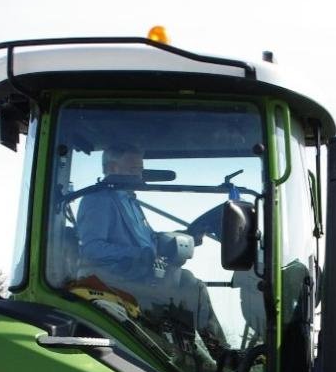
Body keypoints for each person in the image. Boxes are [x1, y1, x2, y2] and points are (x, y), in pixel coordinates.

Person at [75, 141, 227, 360]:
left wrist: (183, 236)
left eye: (140, 169)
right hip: (115, 278)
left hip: (140, 273)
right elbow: (91, 248)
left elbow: (149, 241)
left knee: (187, 281)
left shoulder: (129, 200)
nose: (140, 175)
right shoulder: (98, 200)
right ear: (112, 169)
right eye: (134, 170)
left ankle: (201, 355)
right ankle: (212, 357)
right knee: (191, 289)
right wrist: (138, 255)